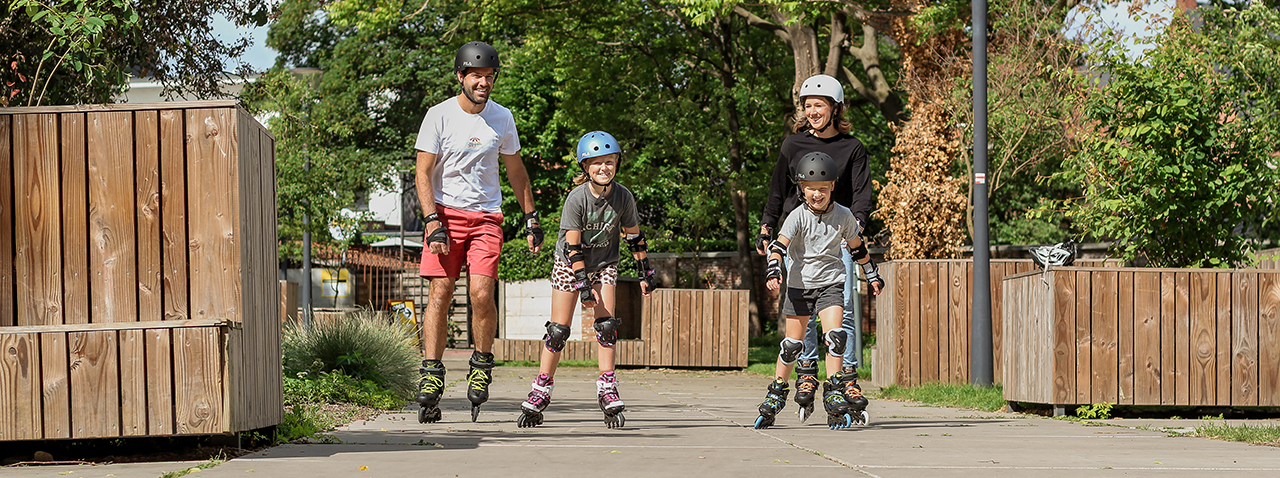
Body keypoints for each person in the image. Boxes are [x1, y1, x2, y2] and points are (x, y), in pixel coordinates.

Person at [413, 41, 544, 424]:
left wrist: (531, 218)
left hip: (487, 217)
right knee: (440, 292)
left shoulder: (502, 118)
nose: (484, 83)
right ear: (461, 77)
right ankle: (432, 373)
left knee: (481, 293)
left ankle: (481, 363)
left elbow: (517, 173)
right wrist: (431, 220)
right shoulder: (438, 116)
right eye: (477, 77)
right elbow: (422, 172)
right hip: (444, 217)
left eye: (489, 77)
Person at [516, 131, 656, 430]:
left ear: (617, 163)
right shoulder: (576, 199)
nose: (604, 168)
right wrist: (582, 285)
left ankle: (607, 385)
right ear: (585, 167)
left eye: (610, 162)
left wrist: (646, 273)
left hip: (605, 263)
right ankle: (541, 387)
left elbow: (634, 237)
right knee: (558, 330)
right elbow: (572, 247)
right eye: (597, 163)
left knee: (606, 326)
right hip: (570, 263)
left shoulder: (623, 196)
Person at [757, 74, 874, 420]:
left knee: (843, 313)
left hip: (838, 235)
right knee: (802, 312)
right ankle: (806, 374)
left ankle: (846, 378)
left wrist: (854, 231)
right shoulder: (792, 145)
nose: (812, 111)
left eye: (819, 105)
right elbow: (777, 190)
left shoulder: (852, 148)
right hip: (800, 238)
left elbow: (862, 196)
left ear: (835, 108)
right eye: (807, 106)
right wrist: (767, 229)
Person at [754, 152, 884, 430]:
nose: (817, 194)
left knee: (836, 337)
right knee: (792, 347)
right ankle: (777, 391)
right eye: (811, 189)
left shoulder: (844, 215)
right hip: (800, 286)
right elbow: (779, 246)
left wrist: (871, 273)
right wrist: (774, 269)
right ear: (802, 189)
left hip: (831, 284)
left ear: (833, 186)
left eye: (823, 189)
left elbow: (858, 247)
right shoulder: (796, 216)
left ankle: (835, 388)